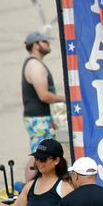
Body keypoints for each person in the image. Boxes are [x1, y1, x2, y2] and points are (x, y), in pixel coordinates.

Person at [22, 31, 66, 183]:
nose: (48, 44)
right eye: (45, 42)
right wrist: (66, 99)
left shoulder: (35, 64)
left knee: (39, 152)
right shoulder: (35, 66)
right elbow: (44, 95)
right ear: (35, 45)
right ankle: (27, 189)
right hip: (38, 117)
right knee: (37, 154)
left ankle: (31, 187)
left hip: (40, 116)